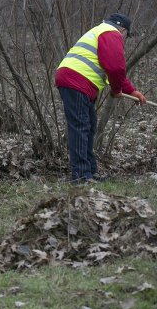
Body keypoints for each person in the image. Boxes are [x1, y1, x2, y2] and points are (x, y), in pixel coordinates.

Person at [55, 13, 146, 183]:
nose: (125, 38)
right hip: (76, 80)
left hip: (75, 80)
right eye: (126, 35)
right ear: (123, 30)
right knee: (81, 127)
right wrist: (116, 89)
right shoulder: (111, 33)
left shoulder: (101, 31)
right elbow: (115, 67)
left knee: (88, 127)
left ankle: (89, 171)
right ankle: (81, 176)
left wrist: (132, 91)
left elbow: (114, 69)